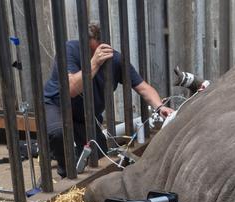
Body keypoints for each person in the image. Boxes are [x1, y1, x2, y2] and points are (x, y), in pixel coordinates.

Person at [43, 23, 172, 177]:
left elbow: (143, 87)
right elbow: (71, 89)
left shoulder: (115, 60)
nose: (93, 53)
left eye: (96, 49)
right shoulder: (69, 49)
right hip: (57, 106)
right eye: (89, 50)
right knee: (58, 134)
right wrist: (94, 63)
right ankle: (66, 174)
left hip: (86, 115)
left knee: (100, 159)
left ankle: (77, 169)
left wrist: (160, 107)